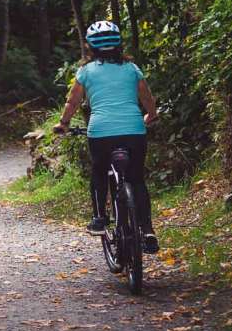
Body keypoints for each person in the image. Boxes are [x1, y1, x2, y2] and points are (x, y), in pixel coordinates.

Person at [54, 20, 160, 254]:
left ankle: (99, 217)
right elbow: (147, 97)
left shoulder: (86, 72)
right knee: (137, 179)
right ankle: (148, 230)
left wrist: (63, 123)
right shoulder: (132, 69)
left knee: (99, 172)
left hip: (101, 133)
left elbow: (73, 101)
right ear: (119, 44)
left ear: (91, 47)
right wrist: (151, 115)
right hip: (134, 130)